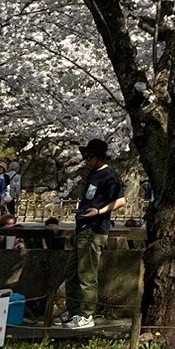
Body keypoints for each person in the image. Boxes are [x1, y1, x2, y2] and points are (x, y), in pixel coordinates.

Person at [58, 139, 124, 329]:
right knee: (71, 273)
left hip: (94, 229)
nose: (86, 160)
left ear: (98, 157)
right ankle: (73, 310)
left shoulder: (109, 176)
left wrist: (100, 211)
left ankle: (86, 314)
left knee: (87, 274)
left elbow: (120, 201)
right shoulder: (92, 174)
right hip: (82, 228)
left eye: (89, 157)